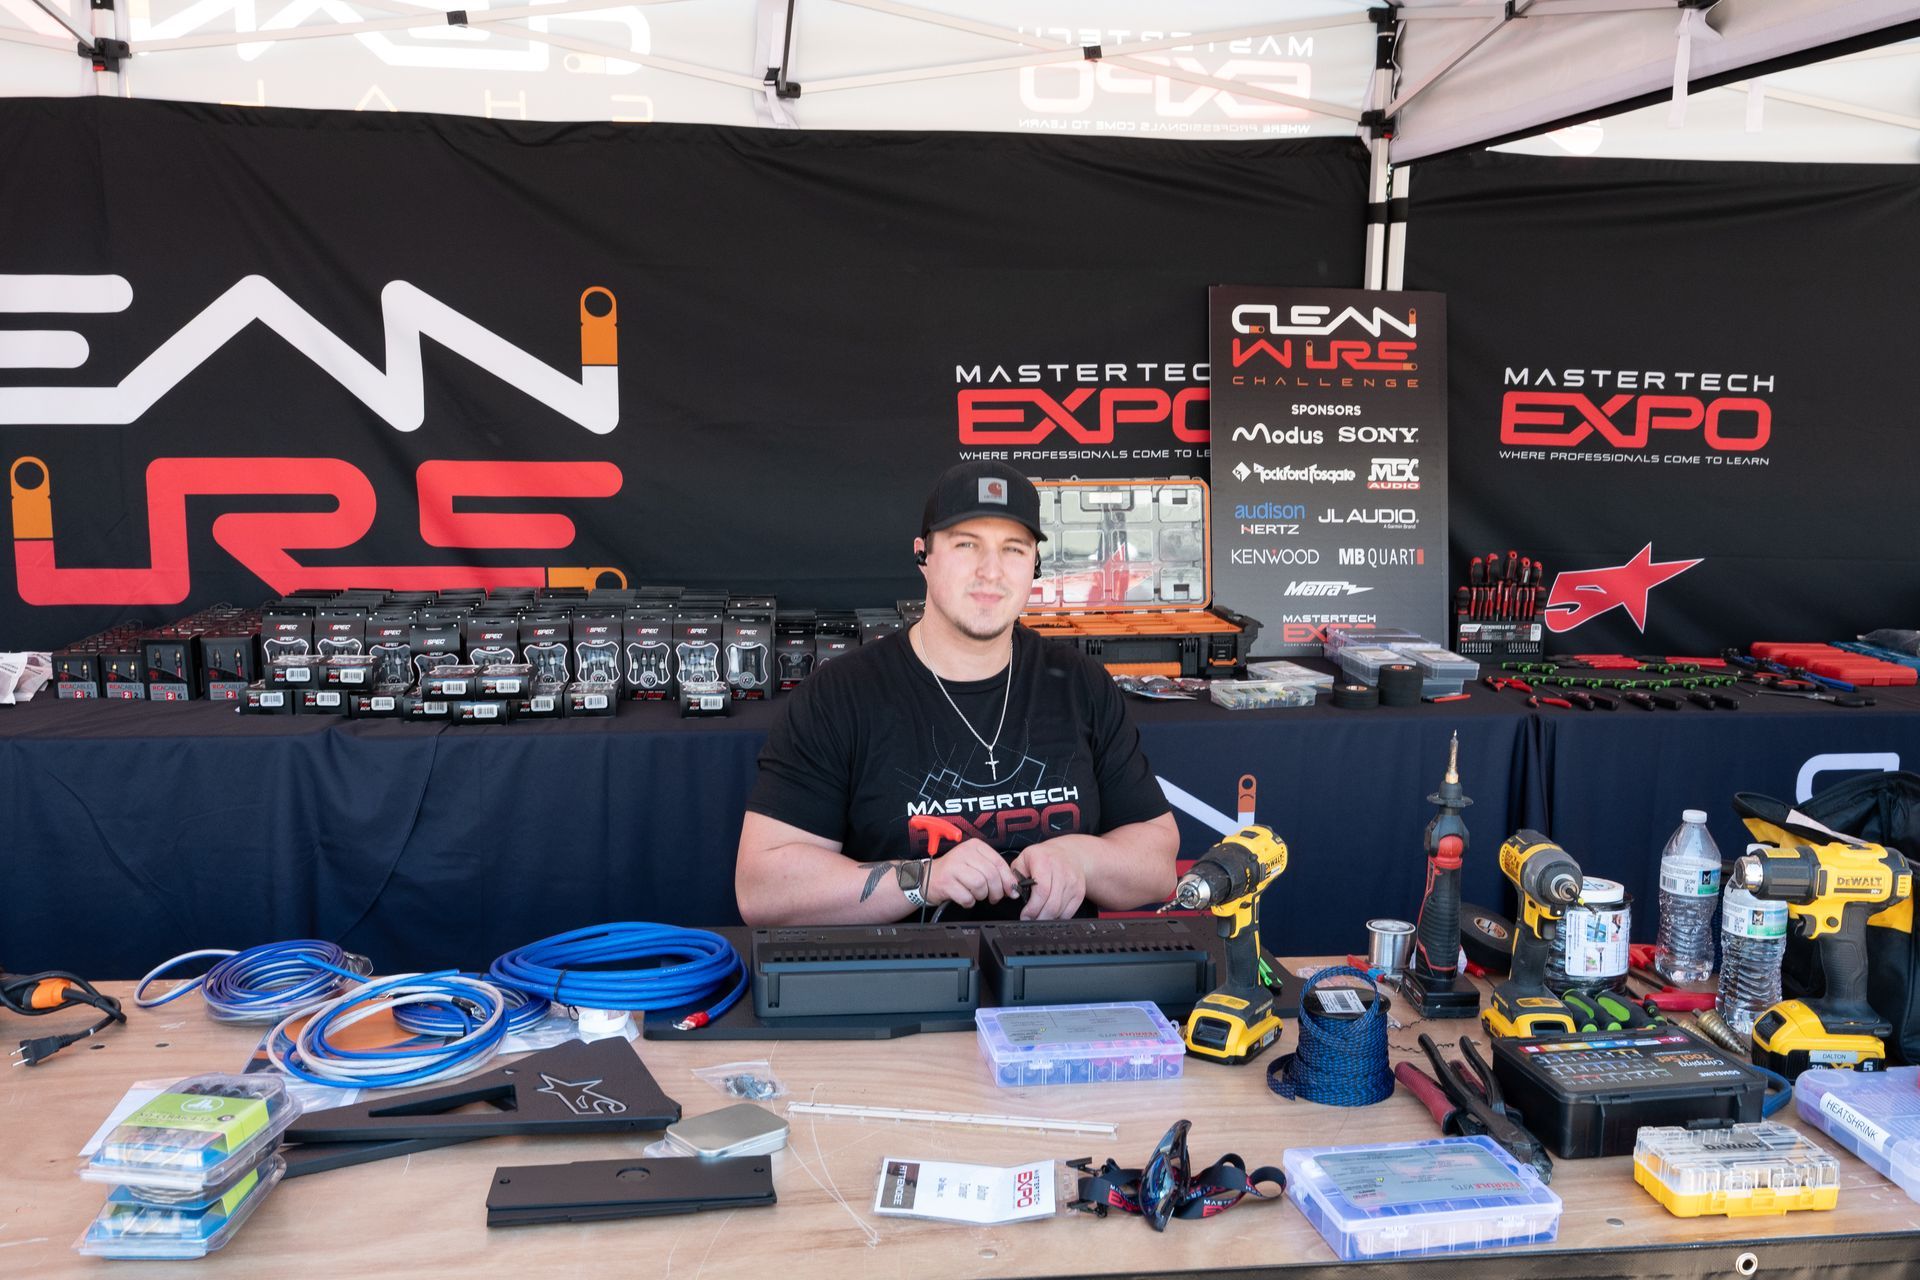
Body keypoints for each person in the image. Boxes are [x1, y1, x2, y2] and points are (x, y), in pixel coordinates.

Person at [736, 461, 1179, 925]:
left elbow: (1157, 865)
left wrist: (1081, 860)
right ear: (923, 556)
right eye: (967, 544)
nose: (991, 571)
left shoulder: (1080, 683)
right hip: (903, 968)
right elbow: (762, 889)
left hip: (1057, 967)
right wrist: (924, 879)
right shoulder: (840, 695)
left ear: (1035, 565)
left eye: (1013, 549)